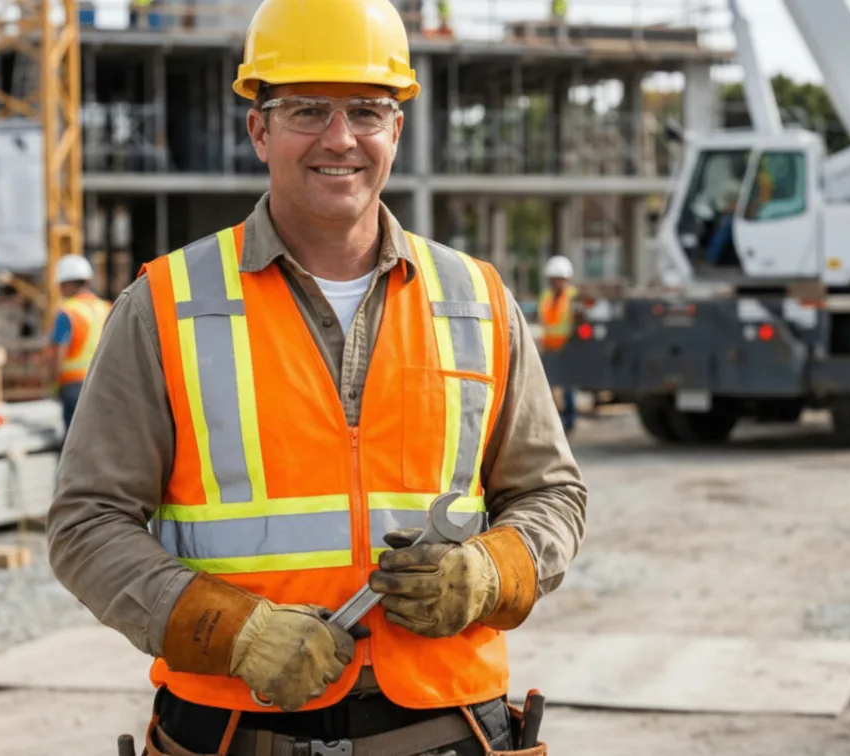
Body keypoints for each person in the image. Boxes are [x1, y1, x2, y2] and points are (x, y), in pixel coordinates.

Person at [45, 0, 586, 753]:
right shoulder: (166, 305)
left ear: (397, 128)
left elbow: (550, 495)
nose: (340, 139)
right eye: (306, 110)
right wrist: (229, 632)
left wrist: (489, 575)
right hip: (236, 732)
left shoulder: (476, 299)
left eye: (367, 110)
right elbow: (85, 524)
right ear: (258, 128)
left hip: (445, 729)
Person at [48, 255, 111, 432]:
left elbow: (59, 352)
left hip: (73, 386)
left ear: (68, 283)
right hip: (104, 382)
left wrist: (52, 383)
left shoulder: (68, 312)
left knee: (74, 442)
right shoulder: (106, 307)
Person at [538, 255, 577, 432]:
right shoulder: (546, 297)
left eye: (558, 279)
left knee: (567, 387)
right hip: (549, 348)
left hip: (566, 349)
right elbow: (545, 322)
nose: (555, 283)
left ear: (566, 279)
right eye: (552, 279)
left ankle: (569, 421)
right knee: (547, 388)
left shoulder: (572, 297)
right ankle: (552, 421)